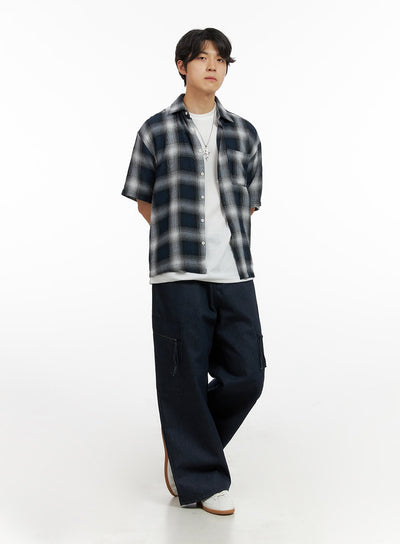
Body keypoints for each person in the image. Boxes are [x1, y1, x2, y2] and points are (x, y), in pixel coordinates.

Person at [122, 27, 266, 515]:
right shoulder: (154, 130)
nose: (213, 66)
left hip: (234, 273)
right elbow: (144, 201)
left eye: (221, 59)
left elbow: (249, 204)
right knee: (182, 377)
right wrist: (180, 241)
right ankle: (201, 478)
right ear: (182, 66)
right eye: (202, 57)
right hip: (177, 273)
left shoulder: (245, 133)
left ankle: (185, 446)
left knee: (247, 375)